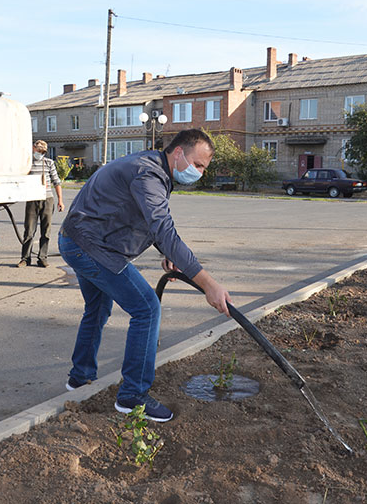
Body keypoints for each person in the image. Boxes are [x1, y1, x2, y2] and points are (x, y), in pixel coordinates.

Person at [58, 129, 231, 422]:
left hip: (77, 240)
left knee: (98, 307)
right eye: (197, 165)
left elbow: (141, 218)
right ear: (178, 153)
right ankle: (132, 396)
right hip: (90, 247)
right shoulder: (148, 175)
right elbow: (162, 227)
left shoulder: (150, 167)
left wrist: (169, 254)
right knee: (147, 308)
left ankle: (79, 378)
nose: (199, 173)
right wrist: (208, 284)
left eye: (203, 168)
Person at [18, 140, 65, 268]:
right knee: (29, 230)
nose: (40, 153)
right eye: (38, 150)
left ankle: (42, 258)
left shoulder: (49, 163)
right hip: (32, 200)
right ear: (33, 148)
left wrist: (60, 200)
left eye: (42, 151)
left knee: (46, 231)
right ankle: (25, 258)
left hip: (47, 199)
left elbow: (57, 182)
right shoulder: (28, 164)